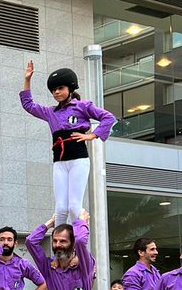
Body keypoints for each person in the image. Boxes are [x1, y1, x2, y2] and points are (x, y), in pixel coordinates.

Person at [19, 61, 115, 225]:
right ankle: (59, 241)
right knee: (61, 209)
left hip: (78, 159)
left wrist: (92, 136)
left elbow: (108, 117)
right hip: (59, 162)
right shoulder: (50, 112)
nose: (56, 92)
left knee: (74, 206)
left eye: (60, 88)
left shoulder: (82, 106)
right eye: (53, 90)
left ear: (70, 88)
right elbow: (28, 105)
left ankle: (80, 239)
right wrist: (27, 79)